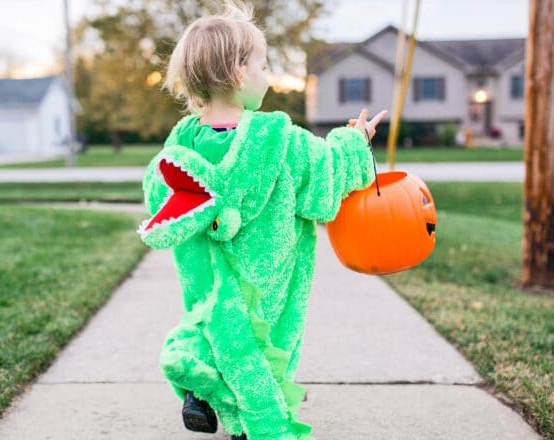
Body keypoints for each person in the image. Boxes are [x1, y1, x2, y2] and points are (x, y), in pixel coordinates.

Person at [137, 2, 387, 439]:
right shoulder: (280, 141)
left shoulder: (183, 144)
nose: (268, 74)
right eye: (263, 64)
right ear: (238, 74)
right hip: (265, 280)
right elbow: (326, 175)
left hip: (209, 280)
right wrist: (355, 140)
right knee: (261, 353)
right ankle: (253, 427)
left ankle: (197, 379)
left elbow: (158, 191)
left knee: (211, 327)